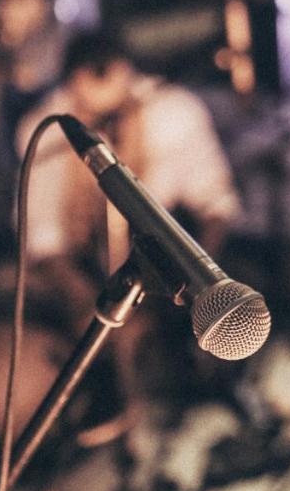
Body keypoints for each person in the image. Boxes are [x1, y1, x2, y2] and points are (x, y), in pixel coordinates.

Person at [15, 30, 241, 390]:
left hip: (173, 269)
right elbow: (42, 241)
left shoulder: (173, 111)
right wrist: (92, 306)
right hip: (84, 276)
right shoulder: (44, 129)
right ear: (72, 82)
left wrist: (198, 286)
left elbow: (216, 206)